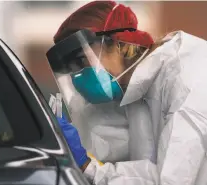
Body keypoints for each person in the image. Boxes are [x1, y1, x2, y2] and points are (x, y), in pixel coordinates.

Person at [46, 1, 207, 184]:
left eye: (82, 60)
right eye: (73, 68)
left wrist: (88, 167)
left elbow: (171, 180)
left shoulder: (187, 79)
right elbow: (115, 153)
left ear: (119, 45)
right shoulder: (134, 89)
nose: (78, 77)